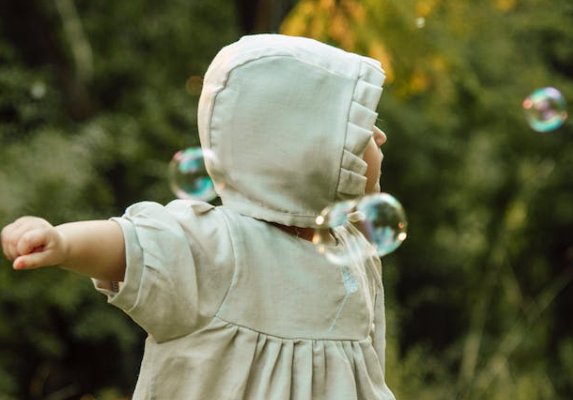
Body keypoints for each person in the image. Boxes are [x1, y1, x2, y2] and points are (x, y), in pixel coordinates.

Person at [1, 34, 395, 400]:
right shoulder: (221, 246)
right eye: (362, 129)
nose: (380, 138)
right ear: (308, 151)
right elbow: (132, 246)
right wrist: (64, 243)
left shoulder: (351, 250)